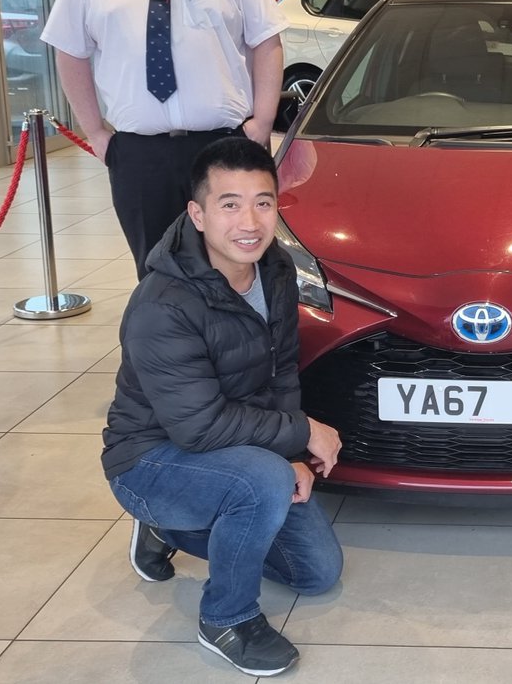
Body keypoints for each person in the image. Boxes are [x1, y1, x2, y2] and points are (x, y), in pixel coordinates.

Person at [102, 136, 343, 677]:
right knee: (261, 481)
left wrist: (295, 456)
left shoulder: (275, 270)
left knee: (317, 573)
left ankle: (170, 527)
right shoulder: (163, 304)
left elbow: (282, 373)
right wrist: (300, 433)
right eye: (229, 204)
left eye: (263, 202)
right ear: (198, 214)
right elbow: (199, 427)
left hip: (233, 446)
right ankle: (226, 619)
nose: (249, 222)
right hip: (148, 457)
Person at [42, 0, 288, 279]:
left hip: (223, 144)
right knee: (156, 269)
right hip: (140, 153)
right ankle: (169, 345)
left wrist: (262, 122)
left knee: (238, 263)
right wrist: (98, 134)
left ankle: (237, 343)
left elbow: (266, 41)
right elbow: (70, 52)